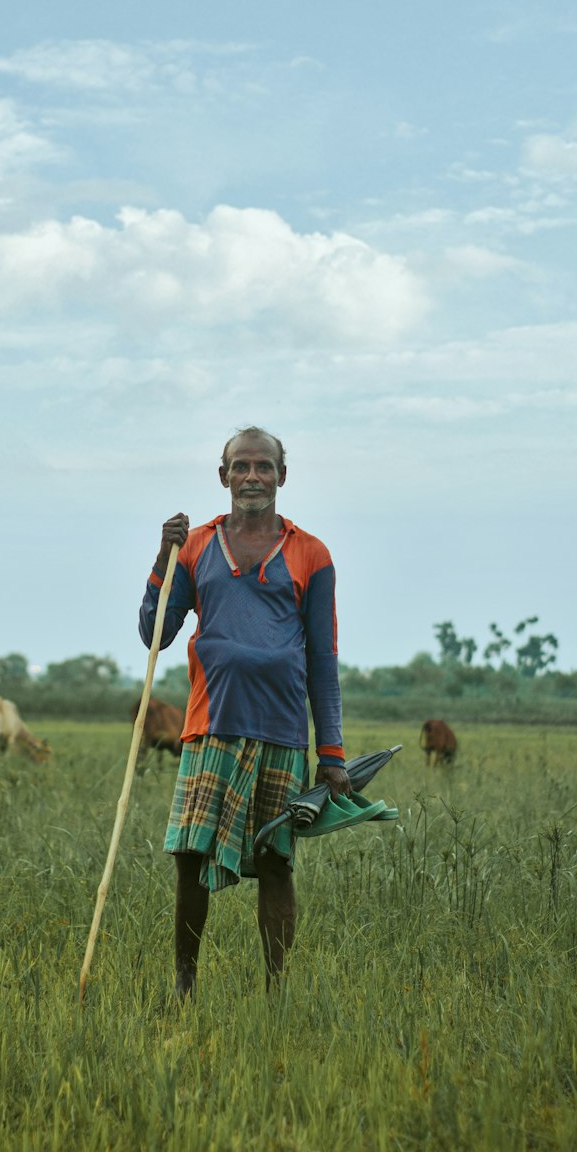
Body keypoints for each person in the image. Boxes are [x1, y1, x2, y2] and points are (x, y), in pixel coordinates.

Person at [138, 425, 351, 997]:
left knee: (276, 862)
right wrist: (165, 555)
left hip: (281, 730)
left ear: (282, 476)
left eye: (263, 467)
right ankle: (185, 982)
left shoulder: (312, 553)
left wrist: (331, 751)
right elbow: (152, 635)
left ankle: (276, 990)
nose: (251, 477)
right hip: (211, 726)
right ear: (223, 475)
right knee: (189, 855)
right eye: (241, 466)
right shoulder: (198, 545)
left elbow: (323, 658)